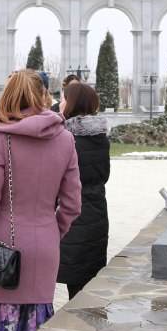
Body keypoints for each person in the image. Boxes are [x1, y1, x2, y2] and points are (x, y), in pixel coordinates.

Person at [0, 70, 81, 331]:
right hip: (45, 243)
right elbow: (72, 203)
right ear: (43, 96)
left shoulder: (1, 139)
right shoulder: (65, 139)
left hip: (4, 245)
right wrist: (54, 233)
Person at [56, 82, 111, 299]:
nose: (59, 103)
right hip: (97, 214)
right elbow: (104, 175)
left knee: (76, 287)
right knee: (87, 285)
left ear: (72, 103)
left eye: (63, 99)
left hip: (74, 218)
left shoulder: (67, 140)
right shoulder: (100, 138)